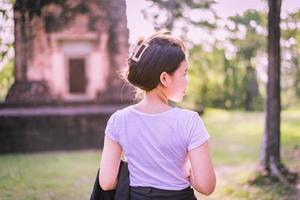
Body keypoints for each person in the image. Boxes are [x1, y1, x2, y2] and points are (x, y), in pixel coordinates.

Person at [99, 30, 216, 199]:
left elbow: (107, 182)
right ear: (164, 78)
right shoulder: (189, 121)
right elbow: (206, 186)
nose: (187, 80)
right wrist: (191, 174)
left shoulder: (119, 120)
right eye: (184, 73)